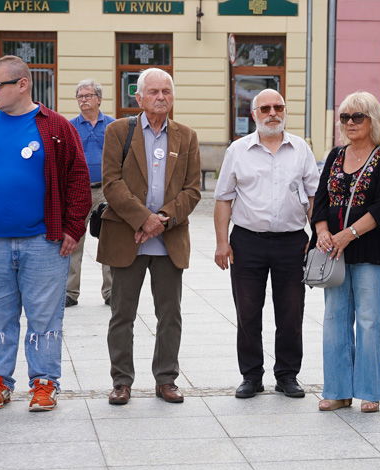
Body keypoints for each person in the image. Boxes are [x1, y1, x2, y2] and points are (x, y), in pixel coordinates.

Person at [0, 55, 91, 412]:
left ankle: (44, 383)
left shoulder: (55, 126)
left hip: (44, 242)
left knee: (45, 318)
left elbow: (78, 179)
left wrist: (73, 228)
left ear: (23, 84)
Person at [97, 68, 201, 406]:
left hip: (168, 241)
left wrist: (161, 221)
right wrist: (143, 219)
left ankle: (166, 379)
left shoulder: (186, 136)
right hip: (127, 238)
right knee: (122, 315)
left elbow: (192, 190)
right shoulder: (118, 131)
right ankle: (121, 381)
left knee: (170, 315)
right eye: (153, 92)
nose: (160, 97)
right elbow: (111, 183)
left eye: (166, 92)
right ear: (139, 97)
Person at [214, 89, 319, 399]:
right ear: (254, 114)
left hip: (292, 243)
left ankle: (287, 375)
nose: (273, 113)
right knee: (247, 313)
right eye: (265, 108)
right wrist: (221, 243)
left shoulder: (301, 149)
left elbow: (313, 197)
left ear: (284, 111)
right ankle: (251, 376)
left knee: (291, 314)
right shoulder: (237, 150)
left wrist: (316, 237)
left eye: (278, 107)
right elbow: (223, 199)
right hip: (247, 242)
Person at [312, 91, 380, 413]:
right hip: (334, 251)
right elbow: (320, 200)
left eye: (357, 116)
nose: (350, 122)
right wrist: (323, 232)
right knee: (334, 319)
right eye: (345, 117)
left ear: (372, 120)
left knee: (368, 320)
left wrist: (348, 235)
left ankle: (370, 391)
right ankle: (337, 390)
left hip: (369, 248)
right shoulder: (335, 155)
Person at [66, 79, 115, 307]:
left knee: (109, 240)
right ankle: (70, 292)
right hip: (78, 190)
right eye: (80, 97)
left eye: (88, 96)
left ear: (99, 99)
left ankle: (111, 291)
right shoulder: (70, 126)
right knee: (73, 240)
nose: (83, 100)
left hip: (106, 190)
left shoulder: (113, 126)